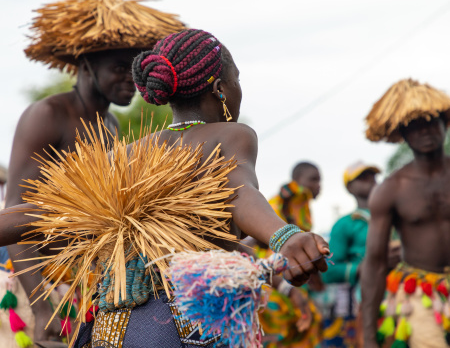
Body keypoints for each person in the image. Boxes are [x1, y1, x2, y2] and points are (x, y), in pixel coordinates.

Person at [1, 29, 330, 348]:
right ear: (220, 89)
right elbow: (238, 191)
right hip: (179, 326)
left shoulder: (128, 153)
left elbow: (42, 212)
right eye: (237, 79)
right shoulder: (232, 136)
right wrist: (284, 235)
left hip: (109, 328)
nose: (239, 88)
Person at [3, 0, 186, 344]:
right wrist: (42, 308)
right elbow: (14, 212)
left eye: (135, 68)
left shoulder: (112, 125)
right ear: (87, 65)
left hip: (81, 289)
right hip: (32, 290)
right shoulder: (48, 115)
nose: (131, 79)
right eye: (119, 67)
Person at [361, 78, 450, 348]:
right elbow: (375, 261)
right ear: (402, 133)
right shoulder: (391, 190)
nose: (425, 131)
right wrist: (369, 337)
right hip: (417, 295)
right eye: (414, 125)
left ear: (445, 123)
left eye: (431, 120)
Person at [244, 162, 323, 347]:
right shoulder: (294, 197)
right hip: (274, 277)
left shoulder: (300, 205)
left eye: (320, 180)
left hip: (281, 278)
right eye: (314, 179)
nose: (318, 185)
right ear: (298, 180)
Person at [321, 161, 381, 348]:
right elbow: (328, 271)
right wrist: (362, 269)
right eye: (362, 177)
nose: (370, 181)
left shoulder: (396, 217)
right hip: (362, 301)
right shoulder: (345, 224)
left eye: (372, 176)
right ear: (349, 187)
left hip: (401, 295)